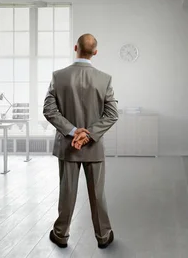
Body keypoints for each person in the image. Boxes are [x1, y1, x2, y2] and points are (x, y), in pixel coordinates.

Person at [43, 33, 119, 249]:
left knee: (67, 193)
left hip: (68, 146)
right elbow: (112, 114)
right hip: (93, 147)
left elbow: (49, 110)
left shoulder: (58, 76)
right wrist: (88, 134)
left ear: (75, 47)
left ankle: (60, 235)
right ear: (95, 52)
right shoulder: (105, 79)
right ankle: (103, 237)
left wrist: (73, 131)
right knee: (98, 195)